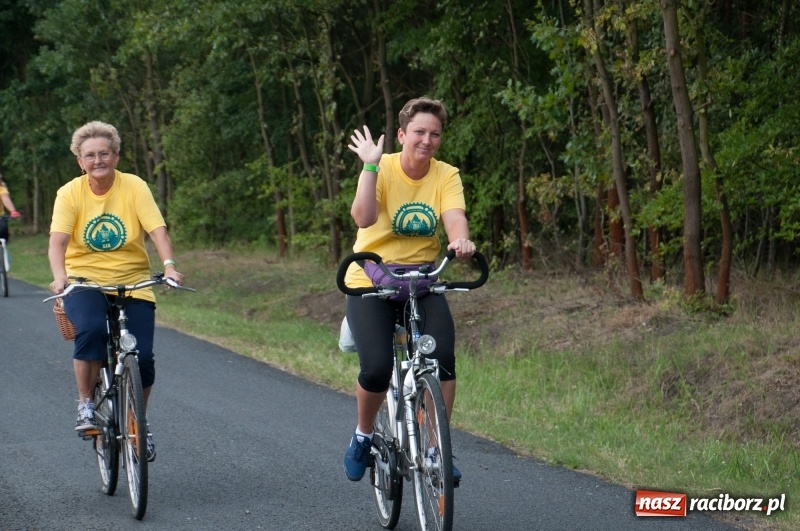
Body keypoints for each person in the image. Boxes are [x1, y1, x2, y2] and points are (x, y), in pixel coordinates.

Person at [342, 97, 476, 483]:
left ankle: (436, 447)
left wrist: (461, 242)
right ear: (402, 134)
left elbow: (454, 218)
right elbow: (363, 217)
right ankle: (363, 436)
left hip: (421, 280)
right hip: (370, 282)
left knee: (444, 358)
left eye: (434, 134)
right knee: (378, 368)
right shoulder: (380, 166)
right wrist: (369, 165)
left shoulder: (446, 175)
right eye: (419, 132)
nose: (427, 140)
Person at [48, 121, 184, 462]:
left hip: (133, 282)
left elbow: (158, 231)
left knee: (144, 357)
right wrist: (60, 277)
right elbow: (58, 243)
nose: (98, 160)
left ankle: (139, 422)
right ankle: (86, 404)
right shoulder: (70, 193)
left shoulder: (134, 187)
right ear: (80, 161)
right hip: (85, 281)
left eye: (104, 153)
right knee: (92, 331)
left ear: (116, 156)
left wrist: (168, 265)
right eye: (90, 155)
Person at [0, 177, 22, 242]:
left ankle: (3, 249)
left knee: (3, 235)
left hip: (0, 218)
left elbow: (5, 199)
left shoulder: (1, 189)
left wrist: (13, 211)